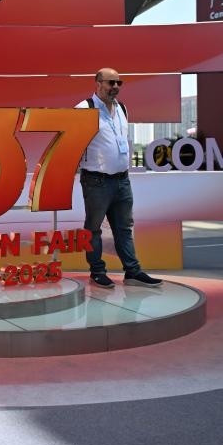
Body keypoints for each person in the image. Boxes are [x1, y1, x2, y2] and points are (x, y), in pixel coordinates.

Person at [77, 68, 163, 289]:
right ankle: (97, 271)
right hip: (96, 181)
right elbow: (72, 143)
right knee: (93, 229)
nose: (115, 86)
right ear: (98, 84)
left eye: (119, 83)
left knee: (124, 228)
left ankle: (132, 272)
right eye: (111, 82)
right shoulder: (84, 109)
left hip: (122, 180)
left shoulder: (122, 108)